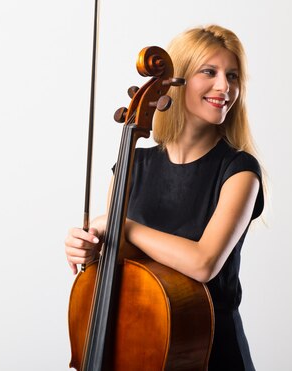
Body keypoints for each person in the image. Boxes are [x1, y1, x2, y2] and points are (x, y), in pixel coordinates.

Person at [65, 25, 265, 370]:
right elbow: (119, 259)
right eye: (209, 72)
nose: (225, 87)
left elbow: (204, 263)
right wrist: (92, 247)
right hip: (140, 346)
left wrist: (124, 227)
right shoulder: (132, 164)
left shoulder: (240, 171)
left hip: (210, 355)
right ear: (178, 80)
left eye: (232, 76)